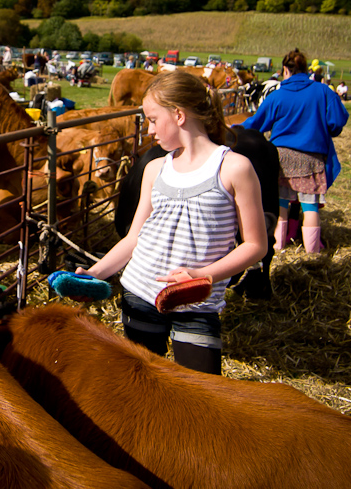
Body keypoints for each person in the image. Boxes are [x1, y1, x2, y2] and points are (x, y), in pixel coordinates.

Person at [75, 72, 267, 375]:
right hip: (140, 292)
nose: (149, 131)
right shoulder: (154, 169)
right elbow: (133, 238)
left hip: (197, 303)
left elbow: (256, 245)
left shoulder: (234, 168)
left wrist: (202, 276)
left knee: (201, 394)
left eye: (152, 119)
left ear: (178, 115)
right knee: (140, 384)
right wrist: (95, 273)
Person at [241, 48, 349, 253]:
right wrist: (328, 129)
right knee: (310, 207)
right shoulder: (323, 91)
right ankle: (312, 254)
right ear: (306, 69)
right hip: (311, 157)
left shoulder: (277, 96)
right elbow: (337, 120)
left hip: (281, 157)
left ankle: (279, 247)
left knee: (281, 205)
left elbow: (256, 123)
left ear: (285, 69)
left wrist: (233, 129)